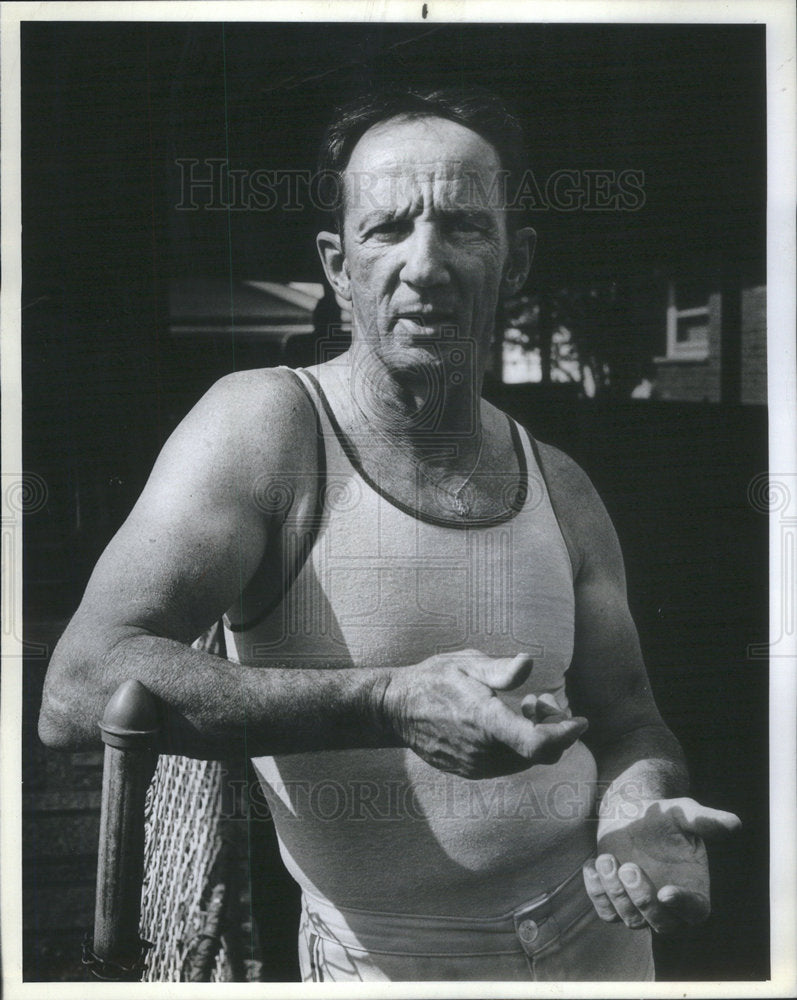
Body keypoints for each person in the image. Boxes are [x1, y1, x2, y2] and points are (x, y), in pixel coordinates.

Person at [39, 87, 739, 982]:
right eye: (387, 229)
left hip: (598, 944)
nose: (425, 264)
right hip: (388, 964)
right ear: (336, 264)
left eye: (462, 226)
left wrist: (637, 814)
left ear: (515, 259)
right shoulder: (267, 427)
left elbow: (631, 717)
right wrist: (384, 703)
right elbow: (78, 688)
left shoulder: (560, 483)